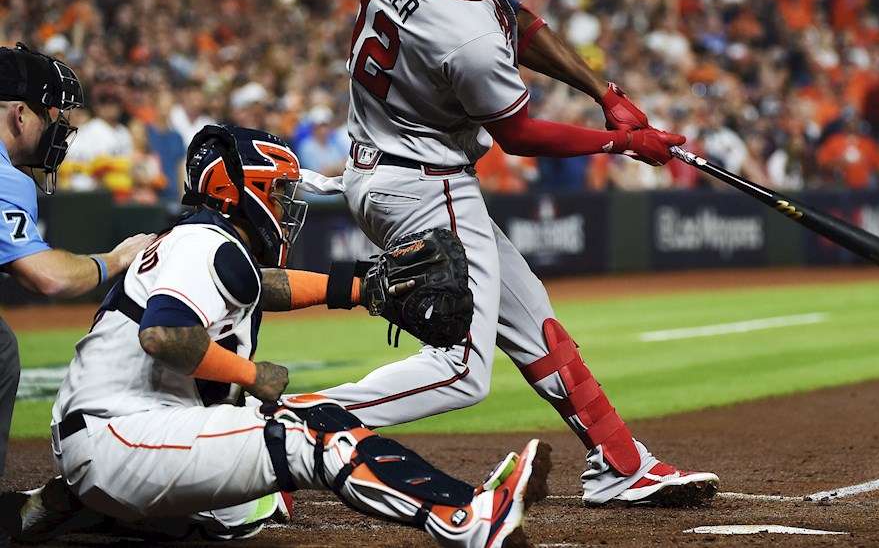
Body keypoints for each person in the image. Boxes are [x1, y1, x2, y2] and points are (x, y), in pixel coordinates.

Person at [327, 0, 717, 506]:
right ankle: (294, 423)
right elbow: (522, 136)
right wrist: (623, 143)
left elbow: (518, 21)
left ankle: (621, 464)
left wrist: (604, 93)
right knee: (461, 373)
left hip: (389, 169)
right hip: (426, 186)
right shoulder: (466, 38)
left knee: (535, 321)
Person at [1, 125, 549, 547]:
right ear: (244, 192)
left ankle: (54, 508)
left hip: (118, 437)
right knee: (314, 432)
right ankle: (467, 518)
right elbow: (165, 335)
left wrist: (358, 287)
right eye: (280, 191)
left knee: (247, 514)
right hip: (122, 437)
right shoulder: (201, 244)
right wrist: (251, 375)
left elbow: (260, 286)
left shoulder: (202, 242)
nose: (288, 206)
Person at [0, 44, 154, 481]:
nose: (57, 129)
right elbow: (45, 277)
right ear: (20, 115)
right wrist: (117, 258)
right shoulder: (6, 176)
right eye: (51, 115)